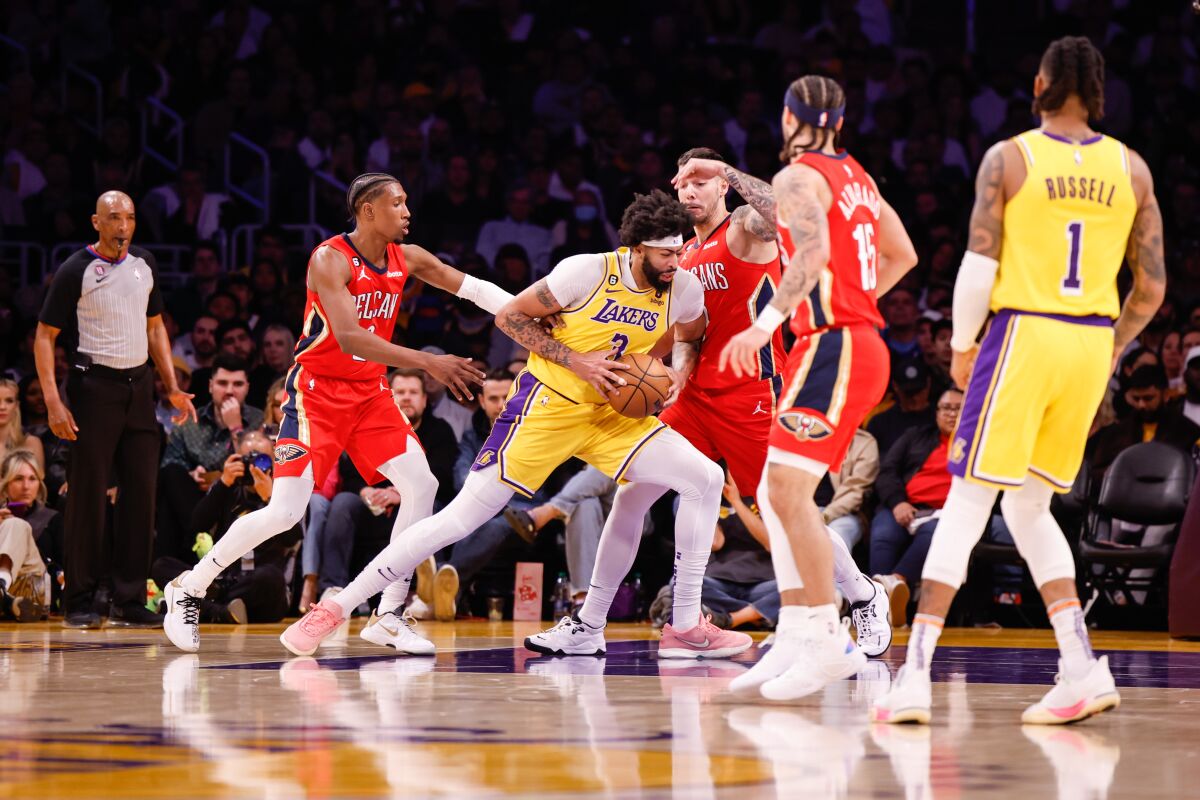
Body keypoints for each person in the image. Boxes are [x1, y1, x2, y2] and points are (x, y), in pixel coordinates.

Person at [280, 190, 752, 662]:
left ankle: (681, 625)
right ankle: (335, 608)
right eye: (666, 254)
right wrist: (576, 361)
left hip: (610, 414)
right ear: (636, 249)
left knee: (705, 479)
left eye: (679, 251)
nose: (676, 262)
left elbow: (692, 332)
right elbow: (511, 317)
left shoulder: (684, 287)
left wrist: (678, 375)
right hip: (545, 408)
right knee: (460, 519)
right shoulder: (586, 271)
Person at [872, 36, 1166, 725]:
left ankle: (913, 674)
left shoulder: (1011, 156)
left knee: (969, 498)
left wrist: (966, 344)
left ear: (1039, 84)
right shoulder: (1134, 168)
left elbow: (979, 261)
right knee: (1028, 507)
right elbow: (1151, 288)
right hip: (1090, 340)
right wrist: (1110, 347)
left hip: (1024, 331)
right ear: (1099, 93)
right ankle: (1077, 664)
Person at [163, 172, 505, 655]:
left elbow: (471, 288)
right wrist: (429, 361)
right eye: (398, 203)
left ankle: (388, 612)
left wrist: (531, 311)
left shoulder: (407, 257)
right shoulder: (329, 259)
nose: (408, 212)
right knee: (285, 511)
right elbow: (349, 338)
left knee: (423, 485)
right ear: (369, 210)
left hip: (368, 394)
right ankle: (190, 586)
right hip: (317, 395)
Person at [609, 145, 892, 657]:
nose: (690, 188)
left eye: (701, 180)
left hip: (752, 394)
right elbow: (690, 336)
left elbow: (785, 215)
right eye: (683, 180)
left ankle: (864, 594)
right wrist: (675, 375)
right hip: (694, 399)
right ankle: (635, 620)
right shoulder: (683, 254)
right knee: (634, 490)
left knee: (784, 510)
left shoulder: (742, 225)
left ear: (719, 186)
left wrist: (730, 172)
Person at [716, 75, 918, 700]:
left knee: (789, 494)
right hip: (848, 339)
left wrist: (766, 325)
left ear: (787, 117)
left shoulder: (798, 176)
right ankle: (800, 638)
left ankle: (825, 636)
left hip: (835, 343)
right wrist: (856, 306)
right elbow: (902, 254)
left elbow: (809, 256)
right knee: (778, 493)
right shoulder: (858, 176)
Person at [34, 191, 197, 629]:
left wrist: (172, 387)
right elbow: (45, 336)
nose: (123, 226)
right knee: (87, 495)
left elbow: (155, 325)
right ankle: (80, 599)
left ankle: (128, 597)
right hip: (94, 388)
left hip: (139, 388)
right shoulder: (76, 269)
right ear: (96, 222)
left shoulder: (144, 263)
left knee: (141, 494)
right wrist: (53, 401)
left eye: (129, 217)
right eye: (113, 218)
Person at [153, 428, 296, 624]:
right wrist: (223, 483)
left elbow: (294, 537)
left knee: (271, 577)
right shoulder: (228, 490)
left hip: (258, 589)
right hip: (223, 583)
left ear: (274, 460)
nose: (253, 468)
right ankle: (221, 612)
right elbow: (196, 526)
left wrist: (270, 499)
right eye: (246, 460)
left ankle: (200, 608)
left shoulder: (283, 491)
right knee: (163, 566)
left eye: (261, 460)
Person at [0, 449, 56, 621]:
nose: (26, 486)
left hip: (34, 588)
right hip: (17, 598)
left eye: (32, 479)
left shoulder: (52, 518)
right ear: (5, 484)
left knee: (17, 524)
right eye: (18, 479)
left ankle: (1, 584)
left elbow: (63, 565)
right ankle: (6, 601)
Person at [0, 377, 44, 470]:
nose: (2, 407)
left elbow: (37, 481)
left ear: (16, 405)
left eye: (9, 401)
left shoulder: (31, 443)